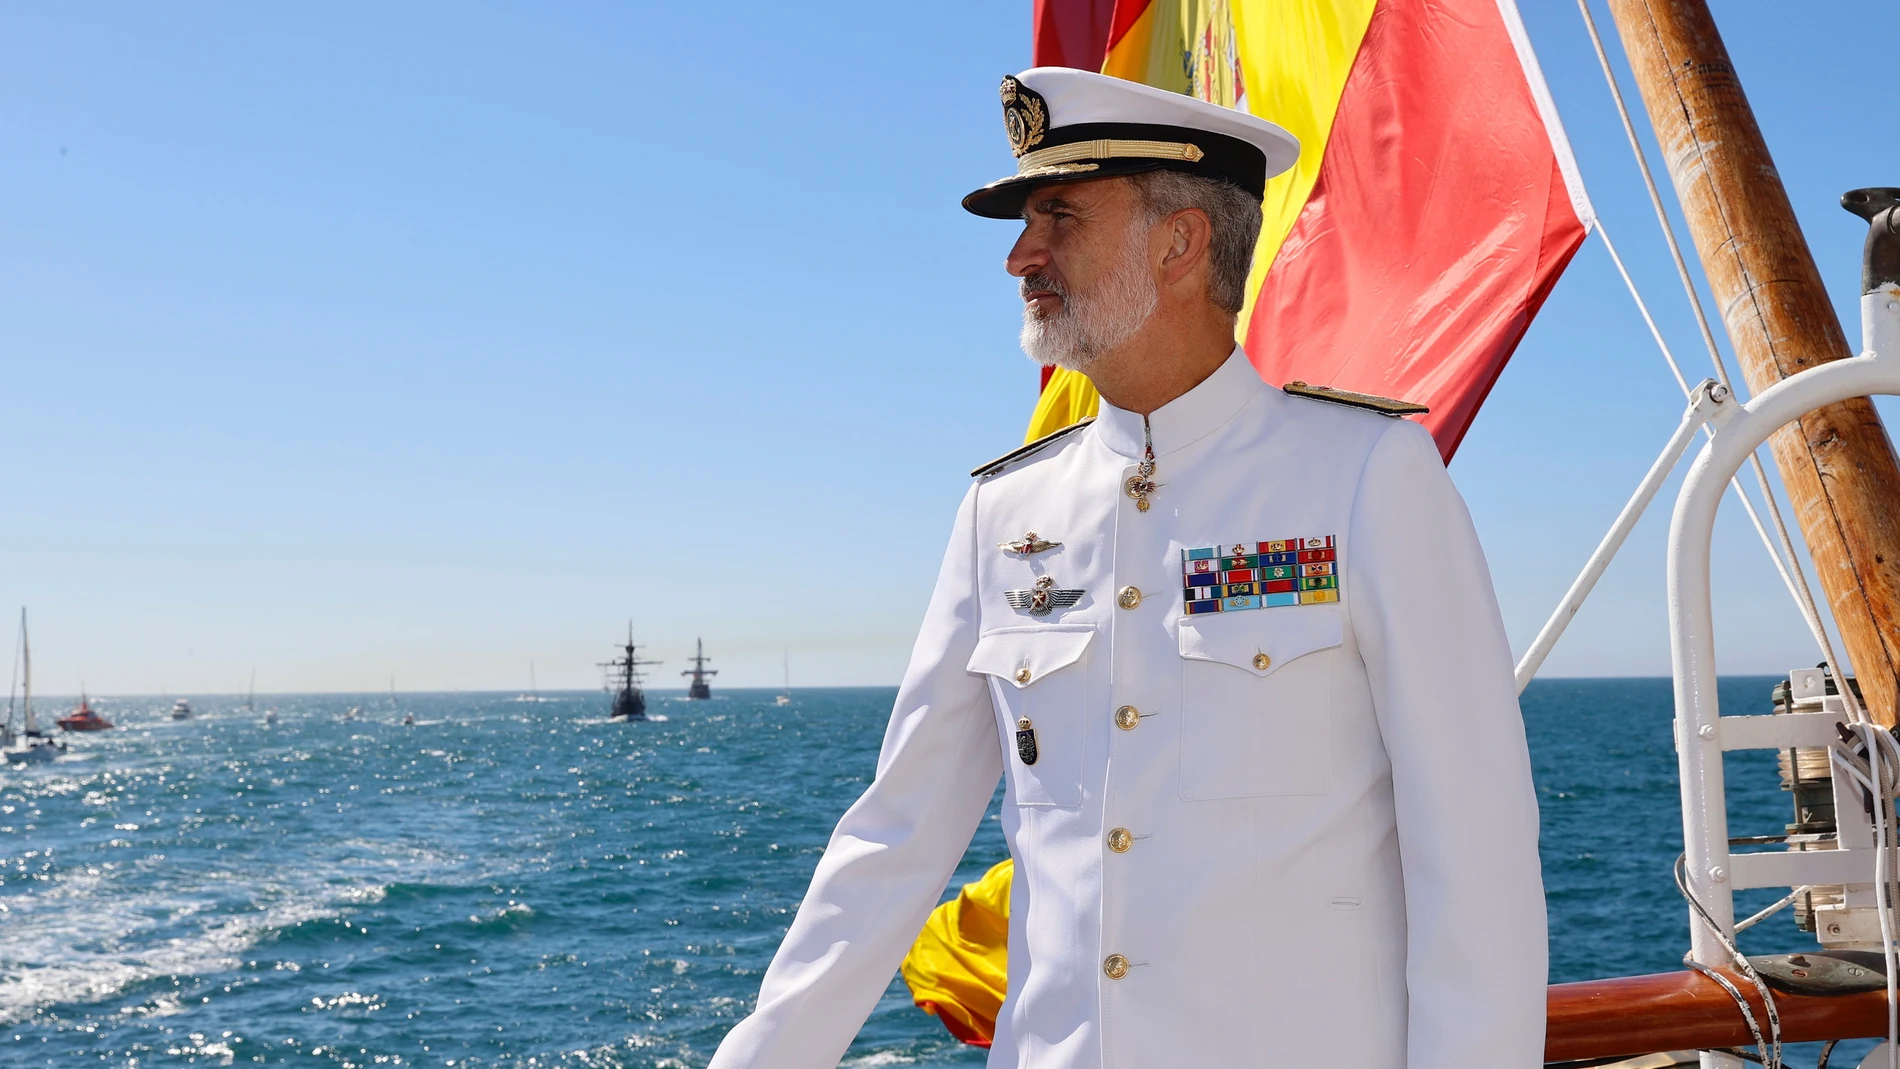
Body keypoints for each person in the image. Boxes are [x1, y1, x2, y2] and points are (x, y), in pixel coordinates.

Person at [708, 67, 1544, 1069]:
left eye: (1058, 214)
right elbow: (894, 839)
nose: (1021, 254)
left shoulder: (1365, 476)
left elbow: (1476, 855)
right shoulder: (1002, 512)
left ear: (1181, 242)